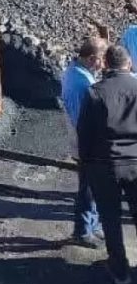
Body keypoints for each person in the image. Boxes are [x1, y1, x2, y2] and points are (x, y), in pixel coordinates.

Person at [77, 44, 137, 284]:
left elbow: (85, 134)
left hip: (105, 164)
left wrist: (85, 164)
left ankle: (120, 270)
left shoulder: (95, 93)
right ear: (129, 64)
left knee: (110, 219)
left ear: (106, 64)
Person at [62, 37, 107, 247]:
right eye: (101, 60)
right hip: (87, 145)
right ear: (91, 59)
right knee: (88, 189)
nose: (104, 64)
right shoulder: (83, 83)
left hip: (83, 143)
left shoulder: (75, 73)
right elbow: (83, 120)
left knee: (93, 187)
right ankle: (82, 231)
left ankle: (92, 225)